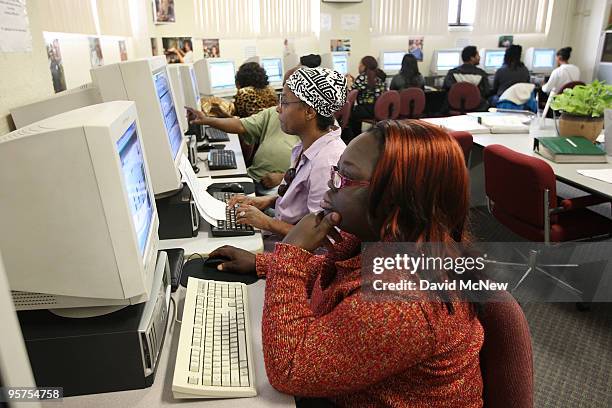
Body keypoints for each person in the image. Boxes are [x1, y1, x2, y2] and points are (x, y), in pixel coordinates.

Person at [208, 120, 484, 406]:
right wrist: (263, 263)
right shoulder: (396, 243)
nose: (331, 183)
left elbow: (289, 370)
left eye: (345, 177)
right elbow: (339, 274)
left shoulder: (402, 301)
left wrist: (290, 254)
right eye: (335, 171)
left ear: (394, 202)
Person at [222, 67, 347, 236]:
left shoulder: (327, 162)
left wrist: (267, 223)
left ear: (309, 111)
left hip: (294, 254)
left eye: (285, 102)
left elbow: (322, 236)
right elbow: (300, 204)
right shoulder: (307, 146)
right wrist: (267, 201)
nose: (278, 108)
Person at [347, 56, 387, 142]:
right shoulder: (380, 75)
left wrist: (348, 84)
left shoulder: (362, 77)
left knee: (350, 114)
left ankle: (355, 138)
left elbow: (351, 92)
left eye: (360, 64)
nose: (358, 66)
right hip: (380, 109)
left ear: (364, 66)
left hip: (367, 109)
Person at [444, 45, 490, 109]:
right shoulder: (481, 74)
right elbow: (487, 92)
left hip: (455, 107)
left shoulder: (452, 73)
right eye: (478, 55)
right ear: (472, 58)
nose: (480, 57)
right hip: (476, 108)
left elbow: (446, 89)